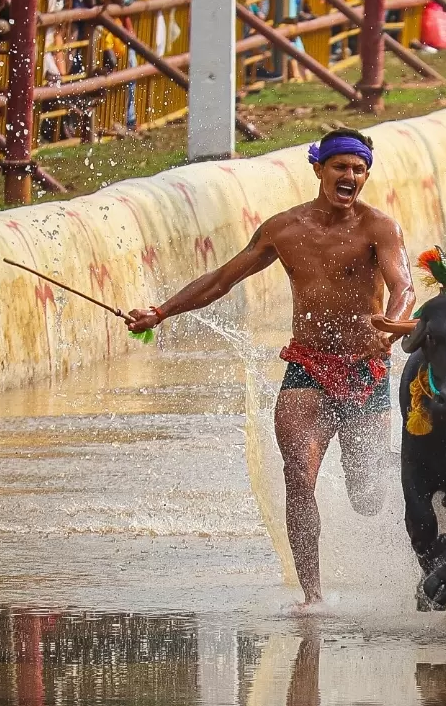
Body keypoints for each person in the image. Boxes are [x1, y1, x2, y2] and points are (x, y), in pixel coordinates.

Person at [125, 130, 415, 607]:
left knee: (368, 497)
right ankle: (313, 597)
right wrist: (160, 312)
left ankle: (398, 489)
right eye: (340, 167)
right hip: (308, 366)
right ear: (318, 169)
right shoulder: (283, 229)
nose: (350, 177)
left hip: (365, 367)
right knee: (298, 476)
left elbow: (402, 285)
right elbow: (222, 278)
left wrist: (393, 324)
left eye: (358, 169)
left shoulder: (379, 227)